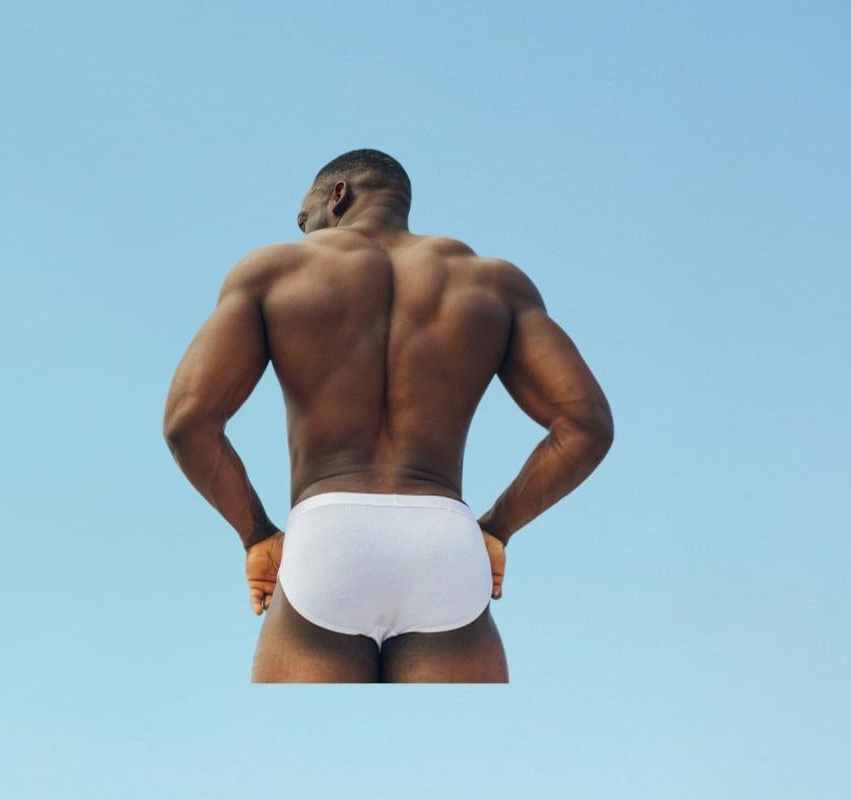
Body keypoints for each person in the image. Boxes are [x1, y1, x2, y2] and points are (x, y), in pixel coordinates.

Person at [162, 149, 614, 683]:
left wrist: (257, 533)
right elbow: (586, 426)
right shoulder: (493, 283)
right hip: (444, 543)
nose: (303, 230)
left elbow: (188, 421)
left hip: (326, 540)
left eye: (303, 217)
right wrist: (495, 529)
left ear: (338, 196)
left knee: (300, 756)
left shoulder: (271, 272)